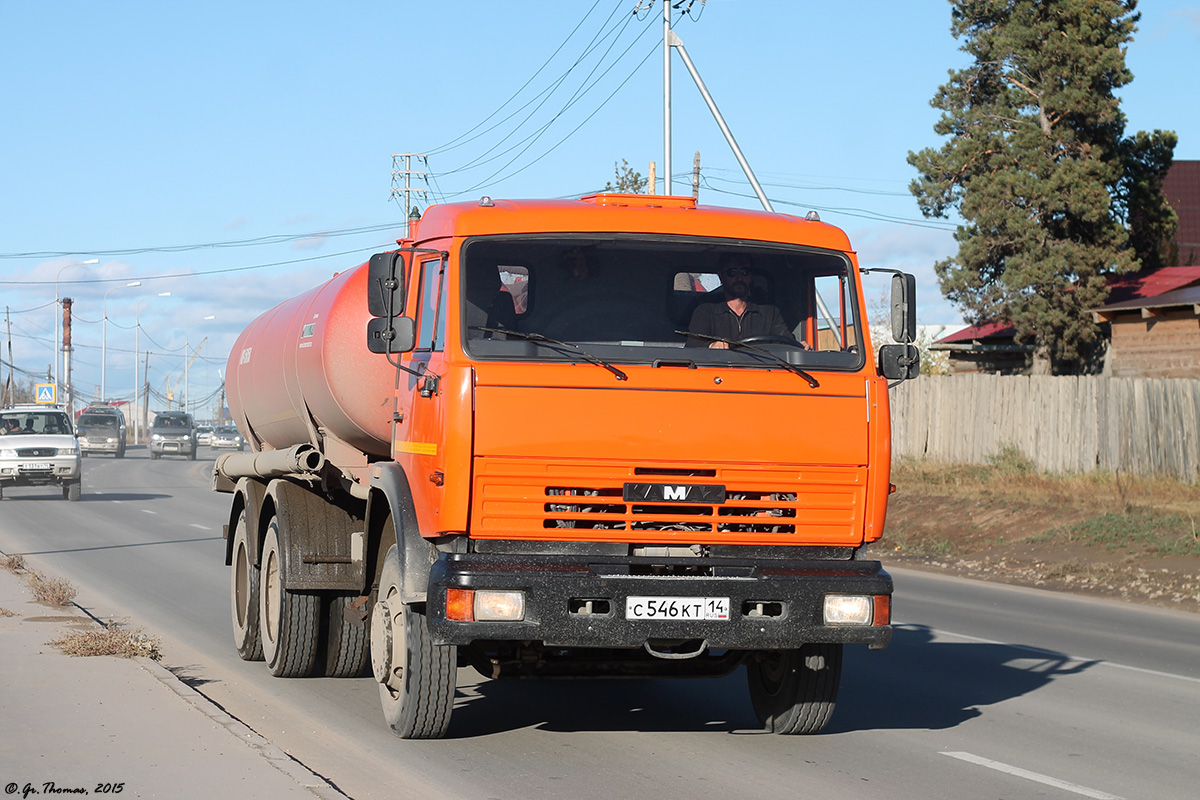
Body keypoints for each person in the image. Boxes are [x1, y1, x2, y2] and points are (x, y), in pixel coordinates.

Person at [686, 253, 791, 348]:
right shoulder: (705, 311)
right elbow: (692, 346)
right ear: (721, 276)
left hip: (761, 369)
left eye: (745, 272)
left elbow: (787, 343)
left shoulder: (770, 313)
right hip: (719, 368)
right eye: (733, 272)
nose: (739, 278)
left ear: (751, 277)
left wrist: (800, 347)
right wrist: (712, 346)